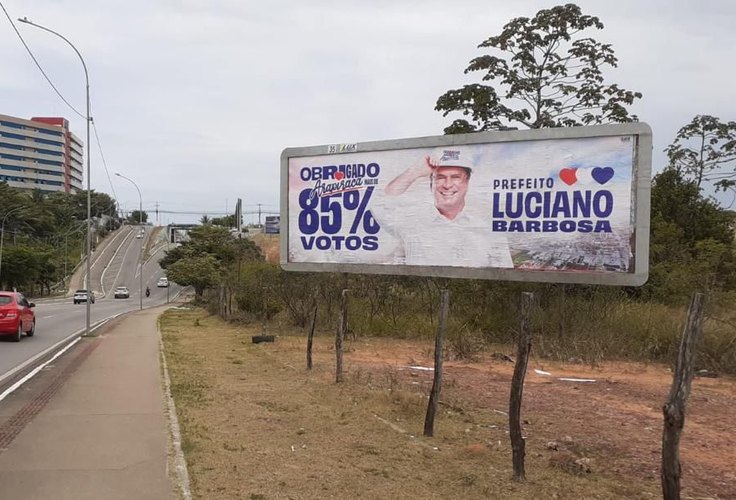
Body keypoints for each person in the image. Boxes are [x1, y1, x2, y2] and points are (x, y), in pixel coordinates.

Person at [377, 148, 513, 268]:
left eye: (455, 177)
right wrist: (414, 172)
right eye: (440, 177)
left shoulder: (488, 230)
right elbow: (380, 206)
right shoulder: (412, 223)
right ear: (431, 182)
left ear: (467, 182)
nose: (447, 185)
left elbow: (505, 276)